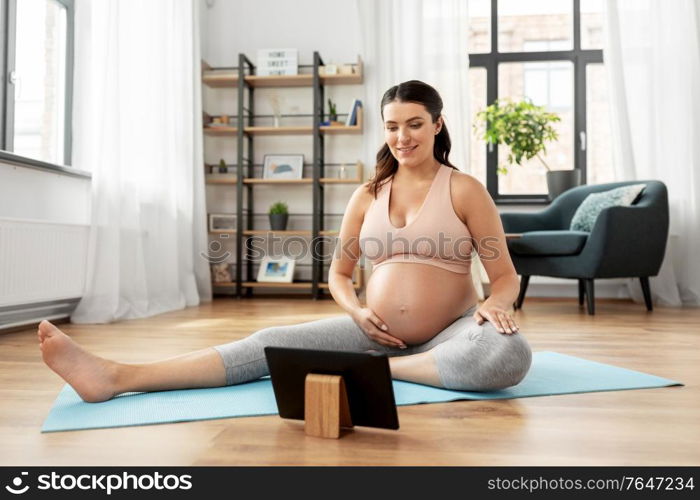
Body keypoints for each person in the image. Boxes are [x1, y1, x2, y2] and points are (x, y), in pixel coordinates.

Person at [38, 80, 532, 403]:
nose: (402, 137)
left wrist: (496, 303)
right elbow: (339, 274)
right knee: (266, 343)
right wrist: (357, 312)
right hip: (371, 332)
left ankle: (386, 369)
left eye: (414, 124)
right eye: (392, 126)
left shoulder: (464, 189)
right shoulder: (367, 195)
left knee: (507, 355)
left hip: (451, 330)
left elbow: (505, 276)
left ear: (438, 124)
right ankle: (117, 376)